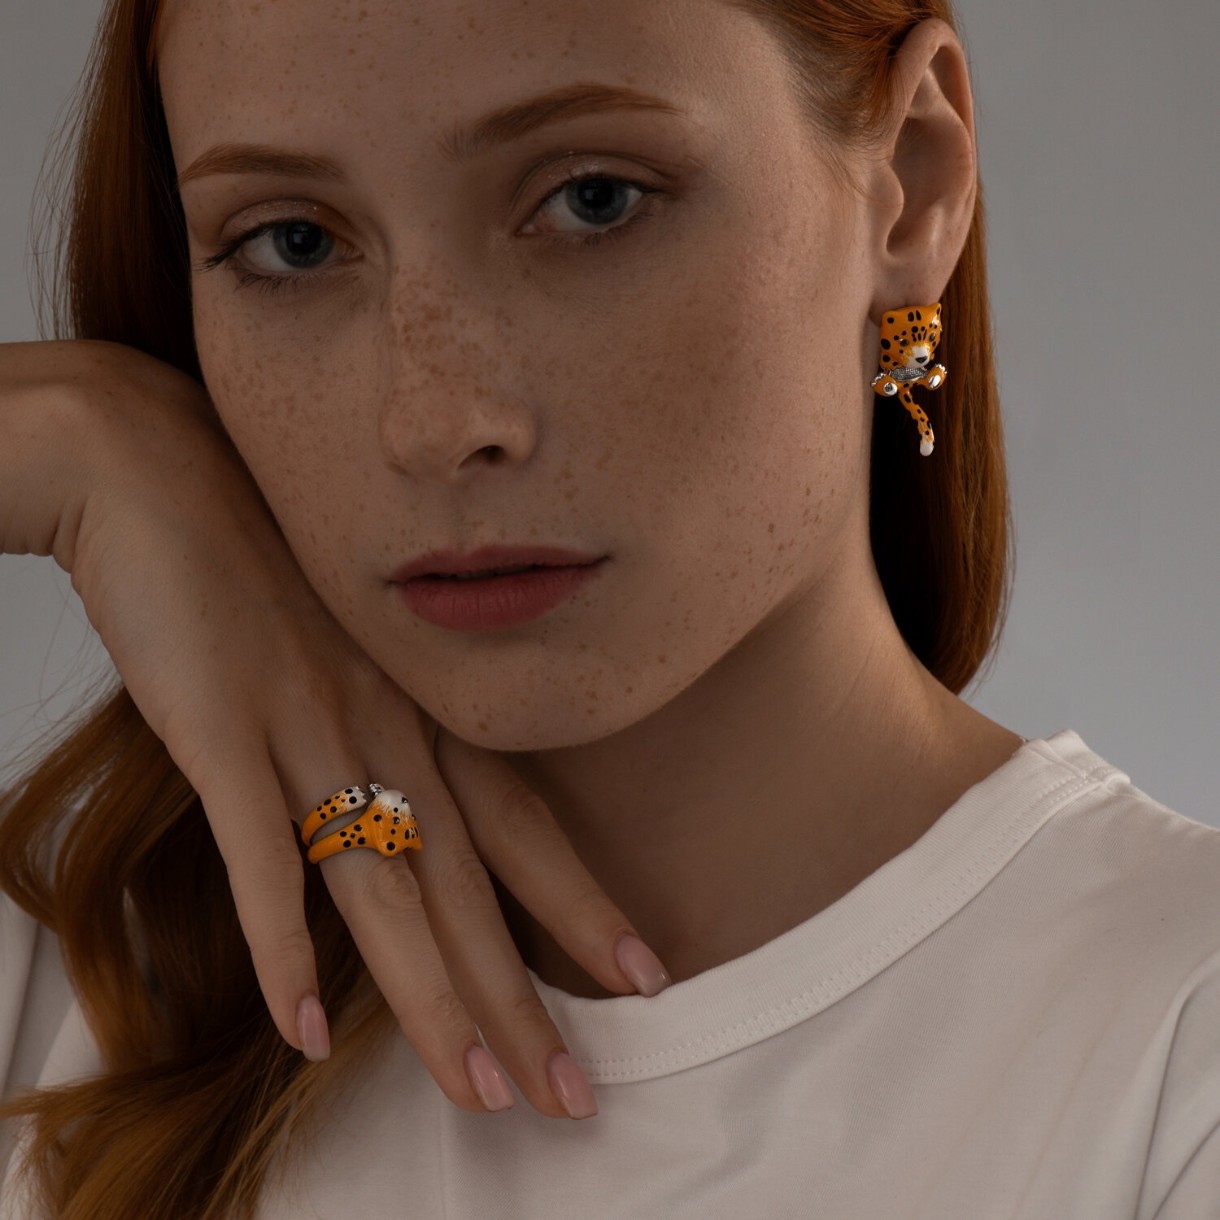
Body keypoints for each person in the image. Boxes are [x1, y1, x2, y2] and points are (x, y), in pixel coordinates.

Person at [1, 0, 1217, 1216]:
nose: (434, 420)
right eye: (293, 243)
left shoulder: (1173, 1048)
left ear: (909, 181)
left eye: (592, 199)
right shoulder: (76, 990)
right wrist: (81, 441)